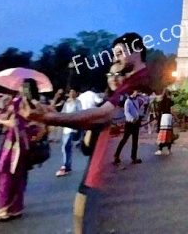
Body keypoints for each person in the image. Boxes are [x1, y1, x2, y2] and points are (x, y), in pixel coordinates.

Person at [20, 32, 151, 234]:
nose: (115, 59)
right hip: (98, 173)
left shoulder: (137, 82)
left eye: (119, 53)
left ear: (136, 50)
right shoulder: (130, 83)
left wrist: (48, 118)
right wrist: (53, 114)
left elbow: (103, 116)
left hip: (104, 179)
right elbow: (98, 124)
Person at [0, 79, 46, 223]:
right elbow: (40, 126)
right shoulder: (21, 103)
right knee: (12, 174)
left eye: (23, 86)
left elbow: (38, 126)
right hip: (17, 143)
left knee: (10, 174)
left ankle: (4, 209)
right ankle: (11, 208)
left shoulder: (29, 104)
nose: (20, 88)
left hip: (18, 145)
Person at [113, 90, 145, 165]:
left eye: (137, 92)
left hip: (136, 123)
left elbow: (142, 104)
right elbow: (126, 112)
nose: (137, 93)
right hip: (130, 123)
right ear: (132, 92)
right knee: (124, 139)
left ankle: (134, 157)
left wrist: (138, 117)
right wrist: (131, 119)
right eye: (136, 92)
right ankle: (116, 155)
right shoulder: (127, 101)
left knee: (135, 141)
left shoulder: (137, 100)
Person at [56, 89, 81, 177]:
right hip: (66, 128)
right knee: (66, 148)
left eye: (73, 92)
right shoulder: (67, 102)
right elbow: (63, 113)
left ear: (76, 93)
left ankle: (65, 166)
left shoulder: (78, 102)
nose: (71, 93)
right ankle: (67, 165)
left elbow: (79, 114)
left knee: (66, 146)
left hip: (72, 128)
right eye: (70, 92)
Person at [155, 89, 175, 156]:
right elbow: (172, 110)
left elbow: (159, 110)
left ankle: (160, 149)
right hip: (169, 117)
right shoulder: (171, 101)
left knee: (163, 133)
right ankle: (169, 150)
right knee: (169, 133)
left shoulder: (162, 101)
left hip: (163, 117)